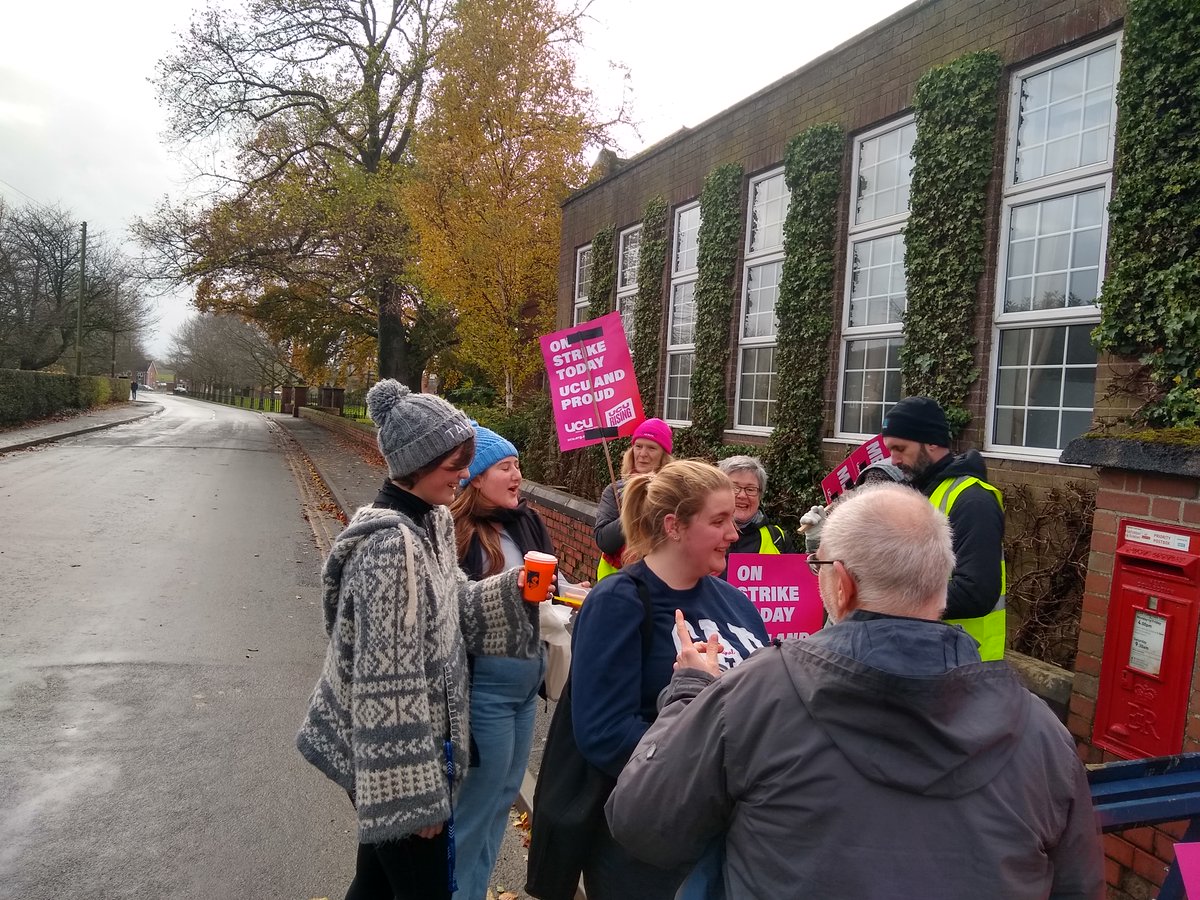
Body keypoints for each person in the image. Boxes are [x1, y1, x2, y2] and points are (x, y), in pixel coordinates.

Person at [606, 483, 1102, 900]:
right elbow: (1078, 884)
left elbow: (643, 822)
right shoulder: (1042, 732)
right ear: (941, 586)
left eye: (817, 565)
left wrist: (687, 693)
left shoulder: (755, 694)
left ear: (841, 584)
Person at [296, 381, 543, 900]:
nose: (463, 476)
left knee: (375, 886)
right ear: (417, 463)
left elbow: (454, 604)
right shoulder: (390, 546)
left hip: (395, 754)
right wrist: (415, 796)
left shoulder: (429, 521)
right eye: (455, 465)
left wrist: (512, 589)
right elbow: (387, 682)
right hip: (393, 761)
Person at [571, 459, 769, 900]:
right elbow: (603, 732)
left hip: (732, 836)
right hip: (650, 848)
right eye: (718, 521)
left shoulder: (739, 605)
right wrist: (709, 775)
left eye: (732, 521)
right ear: (673, 526)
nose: (733, 534)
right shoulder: (619, 601)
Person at [449, 424, 560, 900]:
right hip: (486, 691)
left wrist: (576, 593)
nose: (517, 475)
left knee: (499, 804)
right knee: (475, 809)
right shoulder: (457, 533)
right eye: (505, 467)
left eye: (517, 465)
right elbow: (456, 612)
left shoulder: (525, 522)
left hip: (525, 686)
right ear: (475, 478)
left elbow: (549, 593)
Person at [880, 395, 1007, 660]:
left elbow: (976, 592)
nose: (893, 460)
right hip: (929, 655)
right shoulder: (919, 493)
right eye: (890, 449)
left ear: (932, 442)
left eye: (900, 448)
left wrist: (888, 598)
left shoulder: (973, 500)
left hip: (965, 662)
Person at [593, 417, 674, 581]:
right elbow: (604, 541)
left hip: (659, 580)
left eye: (651, 448)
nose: (643, 454)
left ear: (663, 456)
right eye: (638, 446)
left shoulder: (673, 492)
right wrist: (635, 509)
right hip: (614, 581)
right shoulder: (615, 491)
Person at [715, 455, 797, 577]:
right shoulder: (701, 535)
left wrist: (816, 549)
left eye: (751, 489)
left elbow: (797, 584)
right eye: (734, 487)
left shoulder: (778, 539)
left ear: (760, 496)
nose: (742, 495)